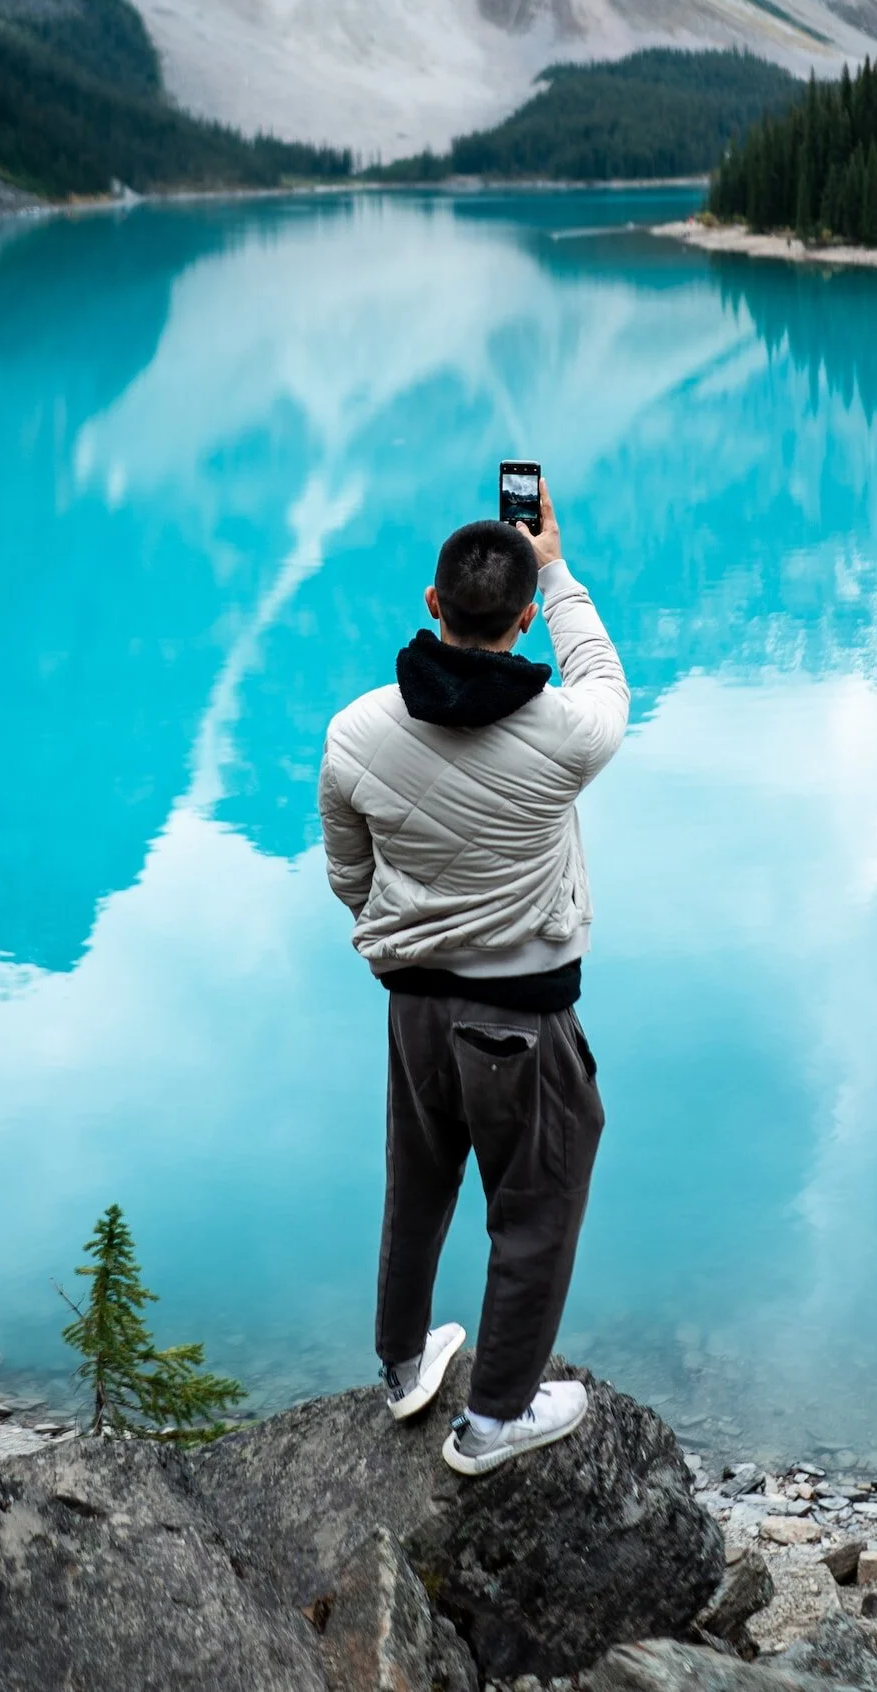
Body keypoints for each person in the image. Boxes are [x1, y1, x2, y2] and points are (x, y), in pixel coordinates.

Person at [318, 480, 629, 1475]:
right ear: (522, 617)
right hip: (520, 1024)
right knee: (534, 1206)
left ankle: (405, 1365)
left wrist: (402, 933)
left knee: (417, 1182)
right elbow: (596, 668)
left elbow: (345, 871)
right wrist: (555, 565)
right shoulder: (566, 735)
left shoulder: (354, 732)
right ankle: (494, 1417)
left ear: (430, 602)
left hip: (412, 1008)